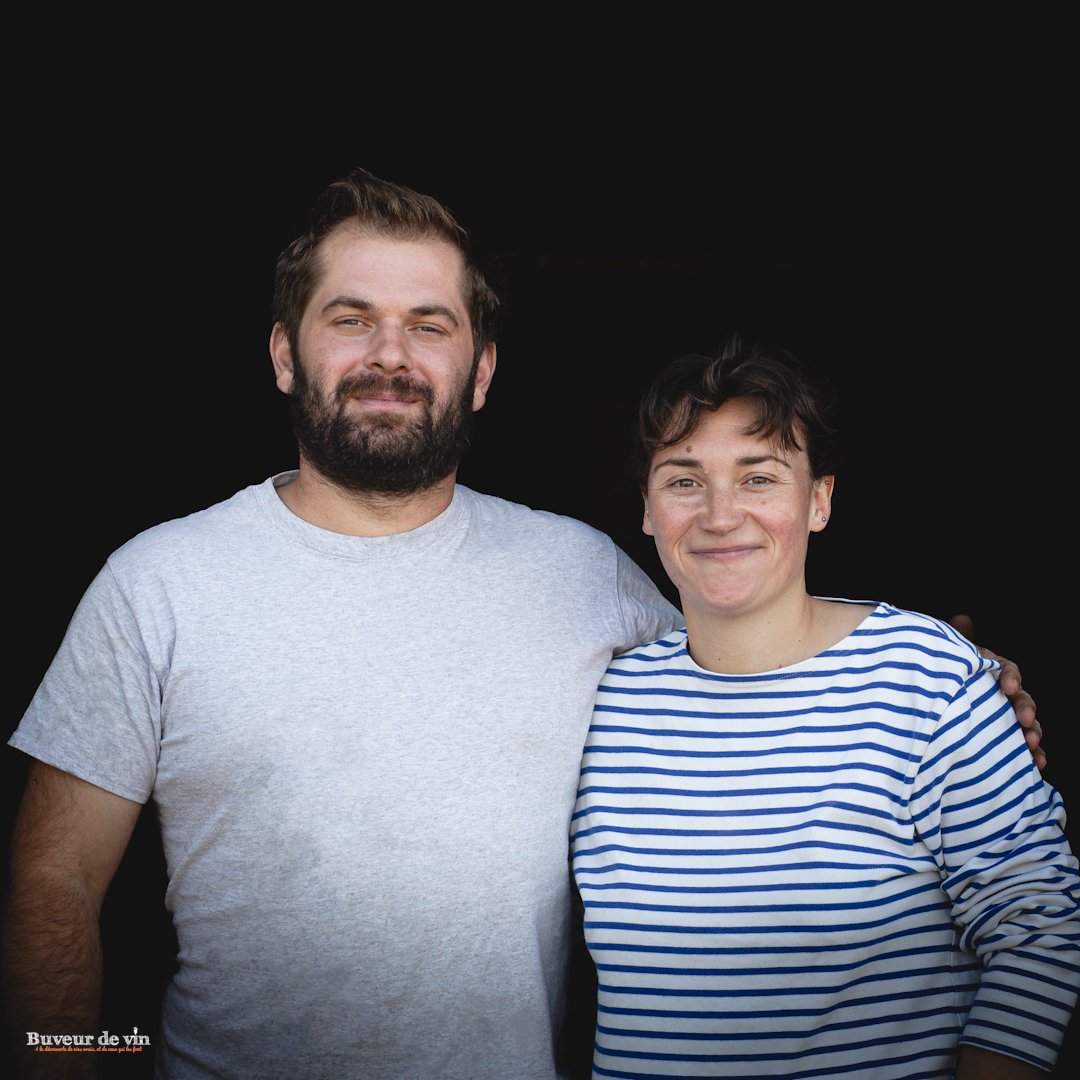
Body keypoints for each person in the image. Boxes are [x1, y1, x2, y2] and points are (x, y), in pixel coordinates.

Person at [1, 171, 1041, 1080]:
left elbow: (751, 642)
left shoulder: (583, 575)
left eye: (431, 323)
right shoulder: (157, 583)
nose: (389, 354)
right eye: (349, 316)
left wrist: (959, 689)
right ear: (284, 352)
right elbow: (55, 879)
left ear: (483, 369)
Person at [571, 341, 1078, 1078]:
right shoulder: (603, 703)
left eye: (759, 477)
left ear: (820, 500)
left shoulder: (925, 678)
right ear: (646, 510)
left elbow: (1037, 926)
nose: (719, 515)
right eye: (684, 480)